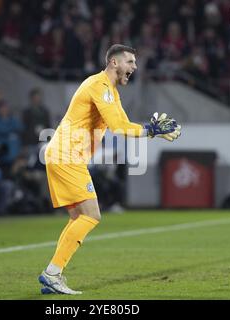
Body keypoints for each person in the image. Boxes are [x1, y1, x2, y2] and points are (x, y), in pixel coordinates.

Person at [38, 44, 181, 295]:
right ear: (114, 62)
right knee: (91, 215)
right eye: (130, 62)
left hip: (64, 155)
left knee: (78, 218)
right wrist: (153, 130)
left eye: (135, 63)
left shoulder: (111, 92)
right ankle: (52, 272)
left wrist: (151, 131)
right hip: (66, 155)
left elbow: (124, 124)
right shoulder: (99, 86)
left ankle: (53, 274)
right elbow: (117, 127)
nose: (134, 68)